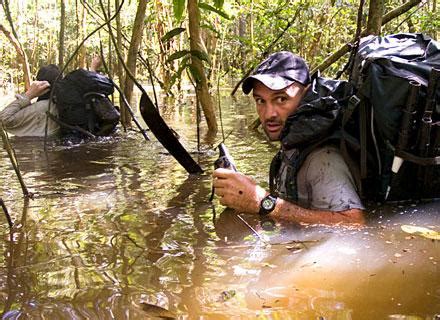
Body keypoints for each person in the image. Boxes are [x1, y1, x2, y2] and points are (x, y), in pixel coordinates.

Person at [212, 51, 365, 225]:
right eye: (260, 101)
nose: (269, 114)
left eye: (281, 99)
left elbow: (353, 224)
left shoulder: (323, 157)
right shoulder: (294, 143)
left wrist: (262, 203)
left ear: (305, 94)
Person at [0, 64, 61, 137]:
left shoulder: (39, 108)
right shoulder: (65, 106)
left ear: (38, 83)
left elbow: (3, 120)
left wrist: (28, 95)